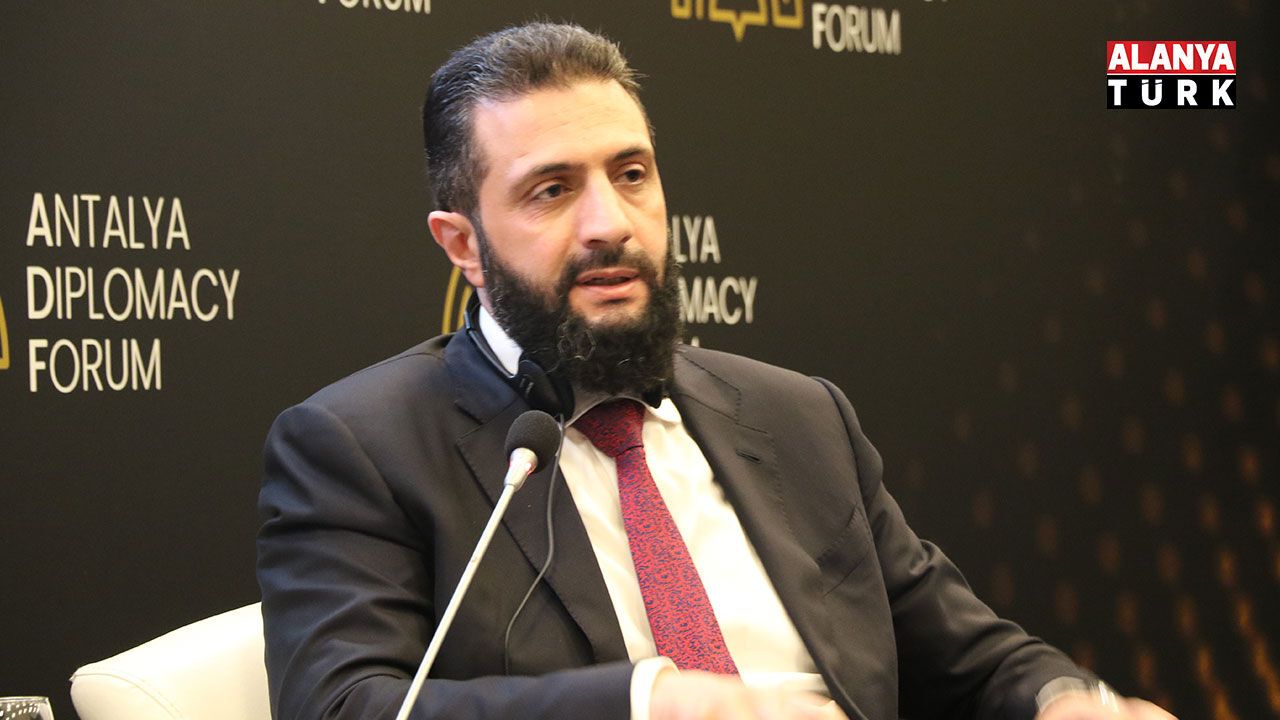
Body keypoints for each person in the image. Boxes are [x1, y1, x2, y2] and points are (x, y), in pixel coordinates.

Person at [256, 22, 1177, 720]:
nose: (609, 224)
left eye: (632, 174)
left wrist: (1064, 701)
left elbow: (967, 656)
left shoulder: (796, 416)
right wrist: (650, 701)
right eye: (552, 190)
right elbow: (344, 707)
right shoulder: (362, 446)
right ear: (462, 244)